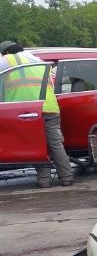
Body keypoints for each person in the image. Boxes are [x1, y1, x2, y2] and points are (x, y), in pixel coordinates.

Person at [0, 40, 73, 187]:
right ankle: (67, 177)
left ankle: (44, 181)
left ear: (6, 52)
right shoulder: (37, 60)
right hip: (50, 107)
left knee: (37, 144)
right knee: (55, 144)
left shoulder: (7, 60)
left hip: (26, 110)